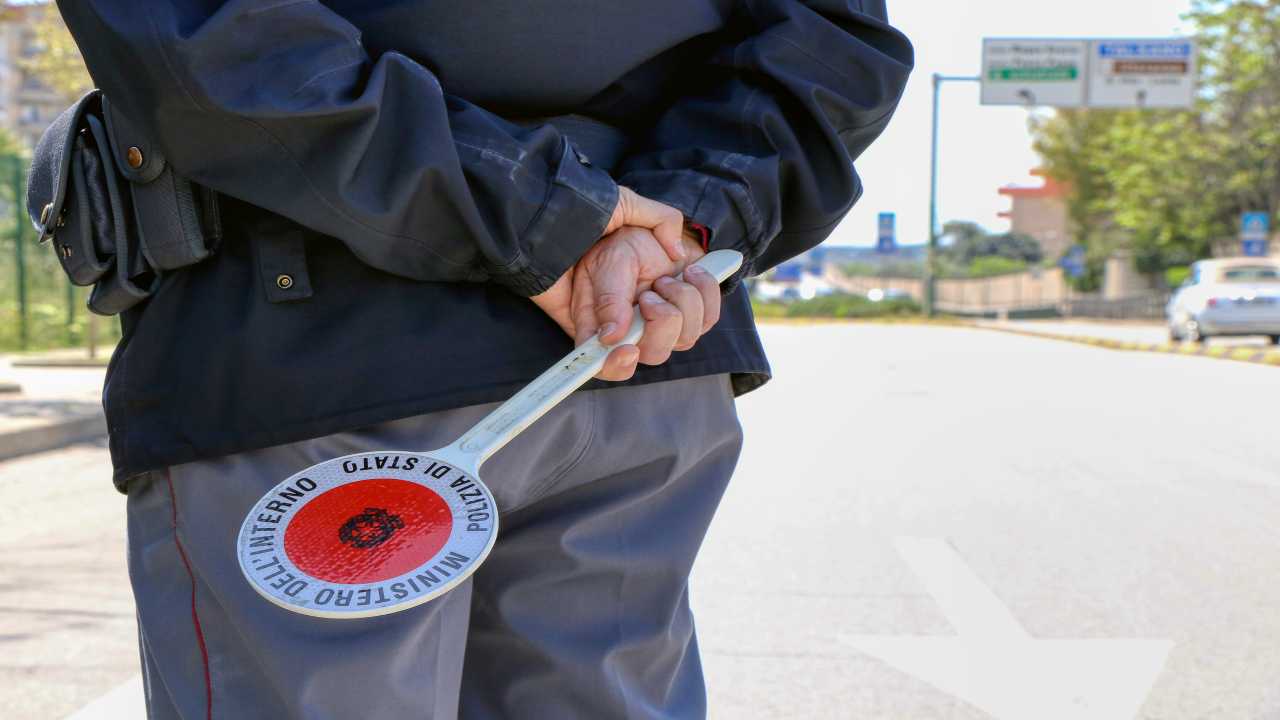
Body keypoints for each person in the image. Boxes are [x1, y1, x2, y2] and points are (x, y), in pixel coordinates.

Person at [53, 1, 912, 717]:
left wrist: (554, 223)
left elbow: (201, 34)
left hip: (319, 354)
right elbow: (832, 38)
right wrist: (675, 223)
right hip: (634, 351)